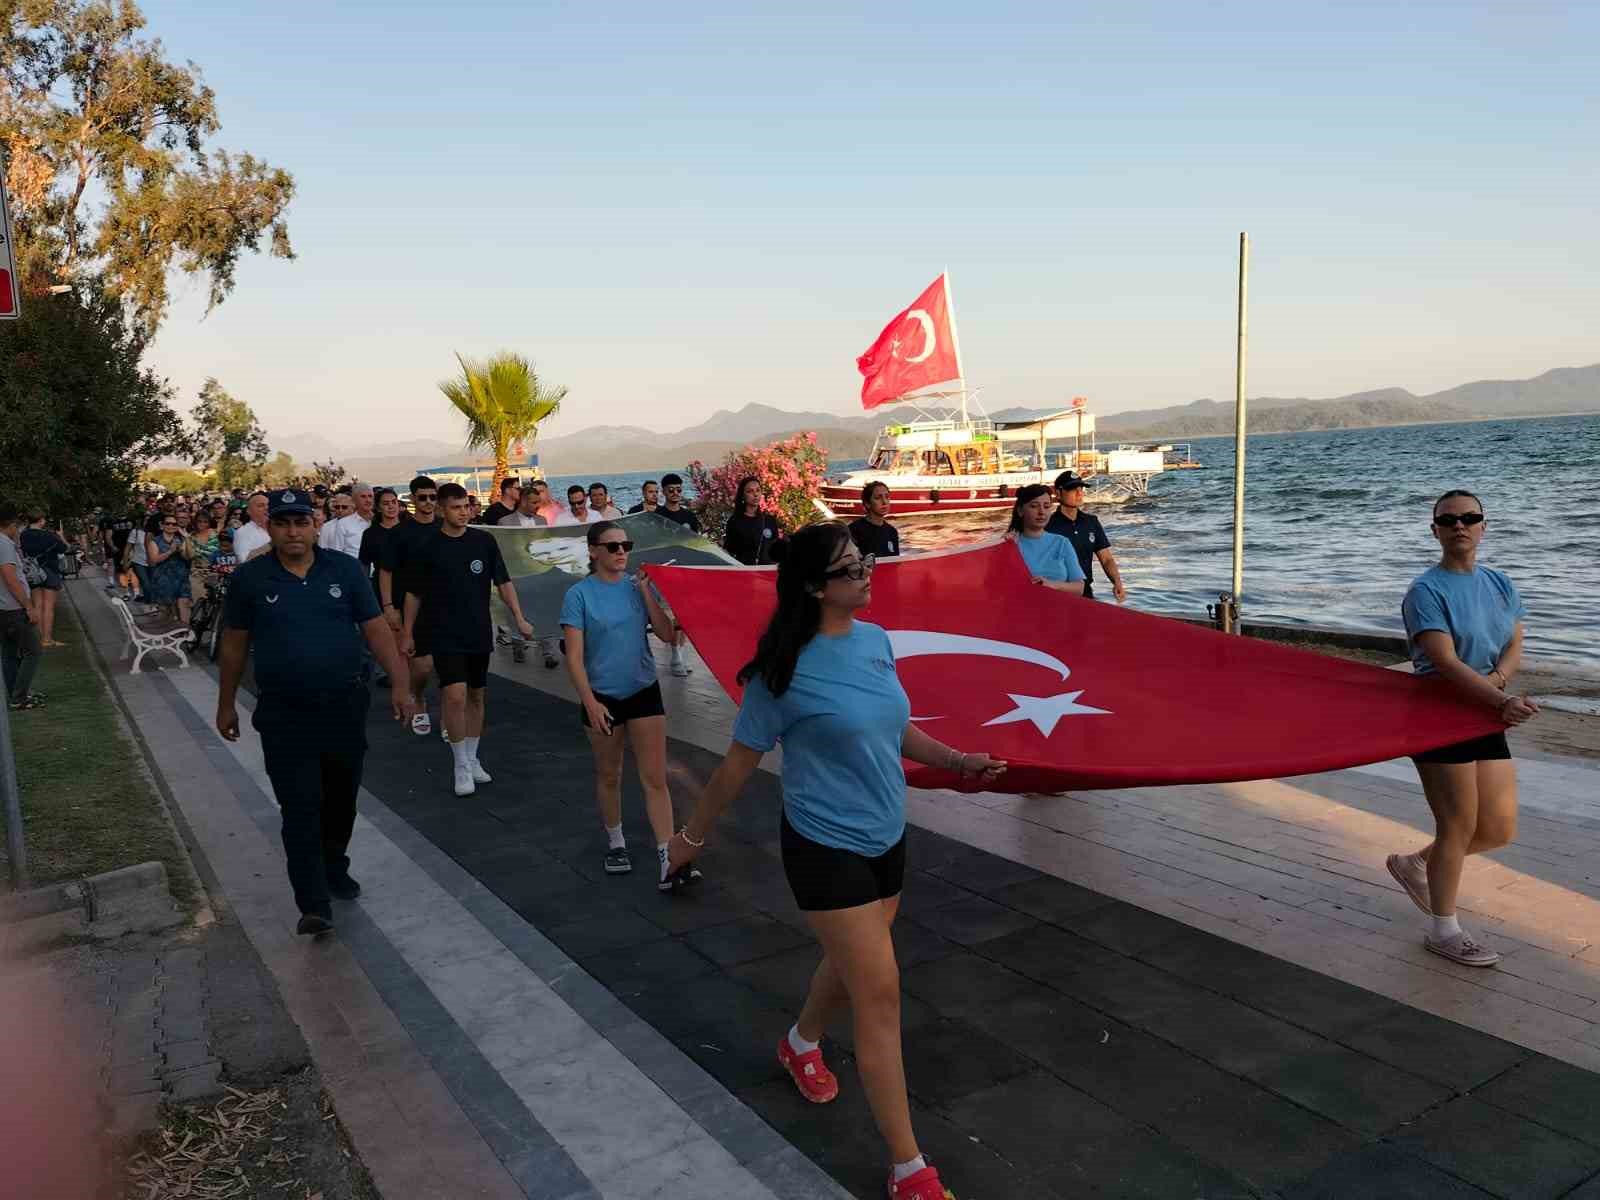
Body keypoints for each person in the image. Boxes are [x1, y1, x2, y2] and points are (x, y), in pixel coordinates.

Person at [665, 523, 1006, 1200]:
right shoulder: (780, 672)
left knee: (853, 967)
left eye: (866, 560)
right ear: (817, 586)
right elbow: (738, 764)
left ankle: (800, 1041)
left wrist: (959, 762)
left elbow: (896, 727)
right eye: (853, 568)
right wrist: (691, 838)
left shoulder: (877, 643)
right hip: (824, 846)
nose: (869, 573)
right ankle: (910, 1170)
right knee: (879, 994)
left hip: (887, 836)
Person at [216, 488, 413, 936]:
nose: (293, 531)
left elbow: (376, 629)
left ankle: (334, 864)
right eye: (283, 523)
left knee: (341, 797)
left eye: (301, 522)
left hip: (344, 704)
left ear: (315, 525)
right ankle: (313, 902)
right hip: (284, 711)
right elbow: (233, 645)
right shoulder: (251, 579)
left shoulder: (344, 569)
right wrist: (226, 702)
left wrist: (401, 684)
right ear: (271, 527)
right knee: (299, 805)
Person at [1386, 490, 1539, 968]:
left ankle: (1415, 863)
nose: (1460, 525)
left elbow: (1514, 641)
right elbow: (1444, 662)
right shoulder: (1425, 591)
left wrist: (1497, 689)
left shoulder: (1498, 583)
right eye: (1448, 519)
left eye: (1469, 518)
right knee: (1458, 825)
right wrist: (1500, 699)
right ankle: (1444, 930)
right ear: (1435, 531)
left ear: (1483, 527)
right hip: (1437, 715)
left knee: (1497, 828)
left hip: (1482, 710)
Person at [560, 521, 685, 888]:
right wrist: (590, 702)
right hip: (602, 697)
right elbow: (574, 657)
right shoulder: (578, 595)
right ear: (593, 551)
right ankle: (616, 843)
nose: (620, 552)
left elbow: (666, 634)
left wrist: (647, 593)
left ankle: (668, 857)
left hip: (643, 690)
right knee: (610, 774)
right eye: (611, 546)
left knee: (655, 777)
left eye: (625, 545)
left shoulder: (636, 588)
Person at [401, 483, 535, 797]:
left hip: (477, 630)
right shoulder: (428, 546)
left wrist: (519, 617)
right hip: (443, 632)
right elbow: (413, 593)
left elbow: (503, 582)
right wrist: (407, 632)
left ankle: (473, 758)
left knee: (476, 696)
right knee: (455, 696)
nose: (463, 513)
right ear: (441, 510)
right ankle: (460, 763)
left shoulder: (483, 541)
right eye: (456, 507)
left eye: (466, 507)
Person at [379, 476, 443, 735]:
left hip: (445, 605)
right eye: (422, 497)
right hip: (411, 607)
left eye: (432, 497)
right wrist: (388, 607)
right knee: (423, 665)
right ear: (413, 499)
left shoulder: (444, 527)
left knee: (447, 664)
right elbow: (385, 571)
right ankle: (417, 696)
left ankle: (451, 713)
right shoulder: (399, 533)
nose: (428, 502)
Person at [1046, 472, 1125, 602]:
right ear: (1058, 493)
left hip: (1085, 592)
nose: (1079, 493)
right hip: (1057, 593)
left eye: (1081, 489)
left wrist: (1116, 581)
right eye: (1072, 489)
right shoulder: (1048, 525)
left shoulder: (1091, 522)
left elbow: (1106, 558)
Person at [0, 506, 44, 711]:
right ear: (10, 525)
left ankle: (16, 693)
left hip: (4, 609)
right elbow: (10, 577)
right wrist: (28, 606)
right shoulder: (4, 545)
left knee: (10, 654)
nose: (18, 529)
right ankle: (19, 696)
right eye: (16, 525)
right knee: (33, 651)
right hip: (14, 609)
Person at [1006, 484, 1085, 595]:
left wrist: (1052, 585)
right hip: (1022, 608)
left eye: (1046, 506)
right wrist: (1003, 546)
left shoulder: (1062, 543)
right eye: (1034, 506)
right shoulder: (1010, 544)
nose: (1041, 512)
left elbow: (1079, 588)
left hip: (1058, 609)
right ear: (1020, 511)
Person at [21, 516, 70, 647]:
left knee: (37, 605)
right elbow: (65, 549)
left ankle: (37, 639)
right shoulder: (49, 536)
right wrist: (60, 536)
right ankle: (47, 639)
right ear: (41, 520)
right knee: (48, 606)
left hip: (33, 573)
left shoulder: (23, 535)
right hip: (50, 572)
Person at [144, 511, 194, 626]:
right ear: (162, 525)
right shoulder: (155, 541)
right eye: (168, 523)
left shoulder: (181, 540)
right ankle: (165, 635)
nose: (171, 526)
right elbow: (153, 560)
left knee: (184, 604)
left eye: (174, 524)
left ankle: (184, 634)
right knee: (166, 612)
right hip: (163, 579)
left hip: (181, 579)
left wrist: (187, 538)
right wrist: (170, 551)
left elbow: (190, 556)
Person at [722, 477, 782, 565]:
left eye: (758, 490)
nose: (755, 494)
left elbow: (776, 550)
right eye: (750, 491)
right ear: (743, 495)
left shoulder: (769, 520)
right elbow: (729, 551)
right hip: (744, 572)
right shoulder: (735, 521)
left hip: (766, 573)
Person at [321, 482, 374, 557]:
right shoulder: (343, 524)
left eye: (370, 496)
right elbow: (337, 553)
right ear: (354, 500)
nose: (368, 500)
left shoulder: (379, 521)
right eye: (363, 496)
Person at [849, 482, 900, 559]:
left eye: (887, 497)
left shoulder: (892, 531)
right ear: (867, 503)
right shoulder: (853, 530)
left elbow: (895, 562)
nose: (884, 502)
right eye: (878, 498)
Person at [231, 492, 272, 562]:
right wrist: (271, 544)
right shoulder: (242, 532)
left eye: (268, 505)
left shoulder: (279, 529)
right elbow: (244, 561)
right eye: (260, 505)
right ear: (248, 511)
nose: (266, 508)